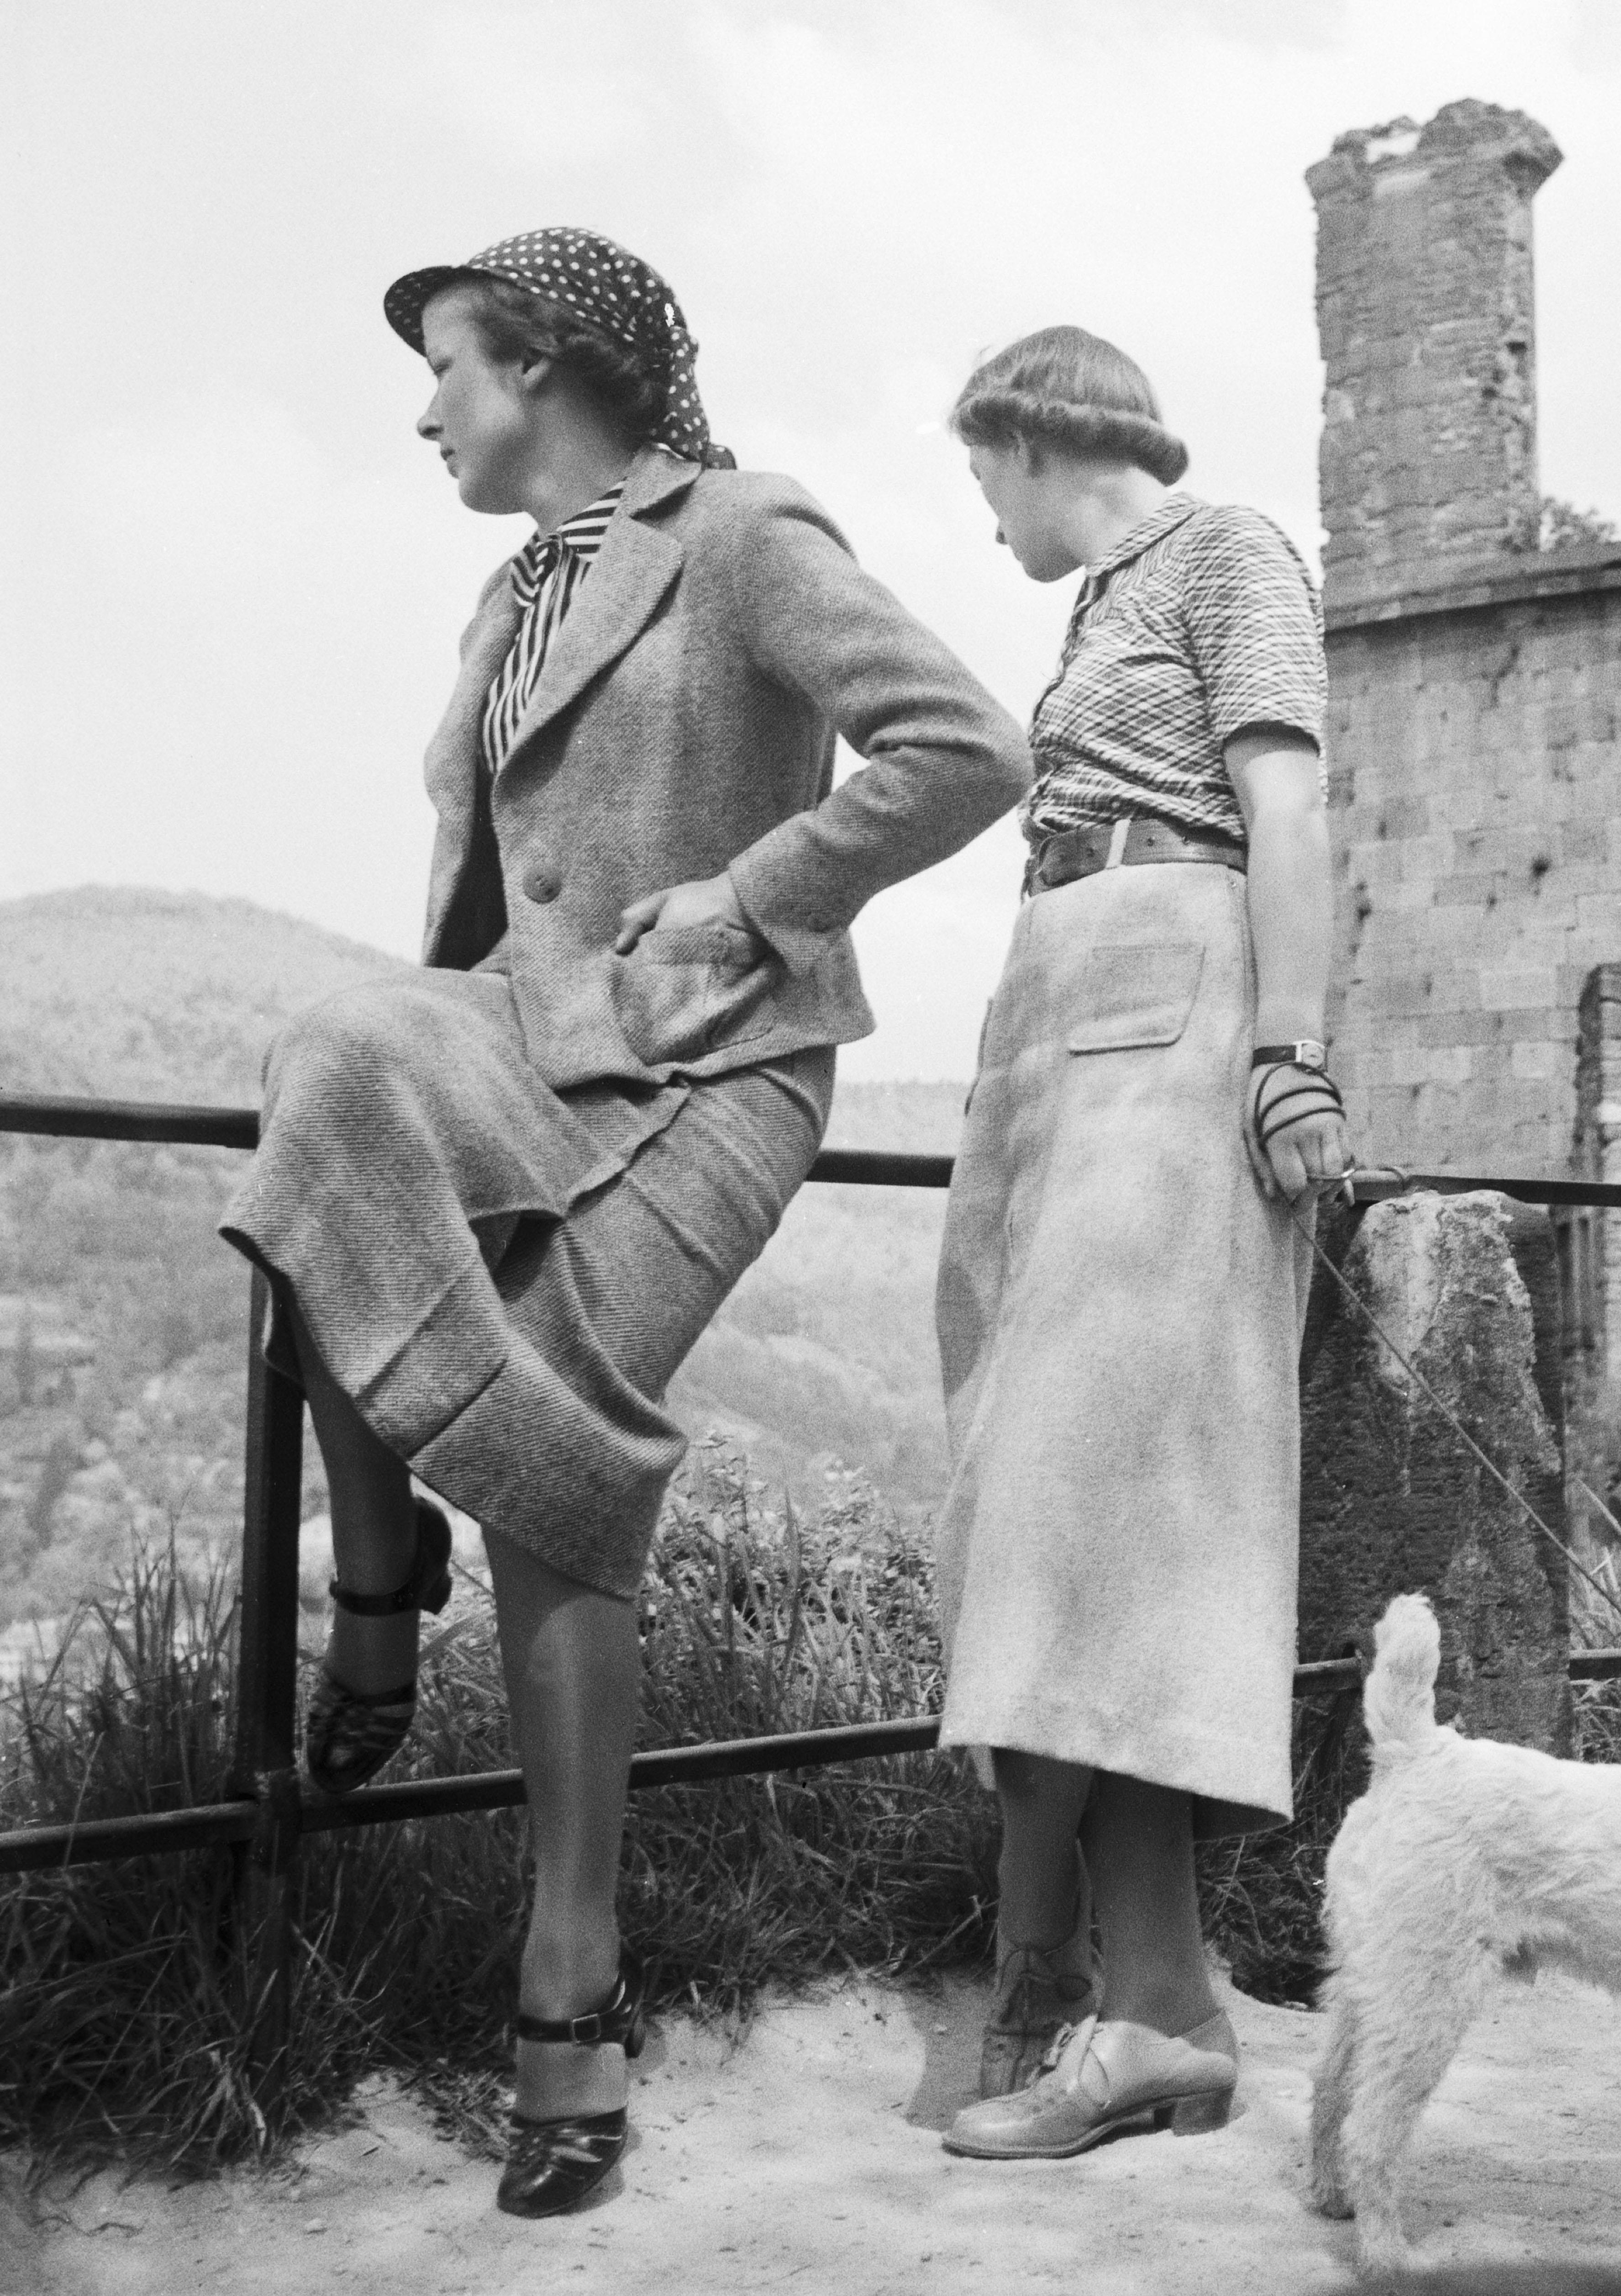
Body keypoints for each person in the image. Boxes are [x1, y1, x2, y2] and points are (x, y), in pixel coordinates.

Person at [220, 228, 1030, 2217]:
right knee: (326, 1077)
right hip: (520, 1051)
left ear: (552, 370)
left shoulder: (743, 535)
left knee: (559, 1446)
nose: (424, 412)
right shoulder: (508, 593)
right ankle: (383, 1574)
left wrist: (752, 902)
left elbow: (967, 751)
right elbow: (476, 904)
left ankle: (568, 1987)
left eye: (451, 371)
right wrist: (430, 1088)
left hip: (713, 1068)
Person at [930, 326, 1351, 2159]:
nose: (982, 511)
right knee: (1028, 1523)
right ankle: (1054, 1983)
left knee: (1095, 1523)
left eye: (980, 473)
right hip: (1059, 1026)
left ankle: (1160, 2009)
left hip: (1166, 1020)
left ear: (1032, 437)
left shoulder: (1227, 549)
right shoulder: (1102, 602)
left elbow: (1290, 808)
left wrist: (1288, 1055)